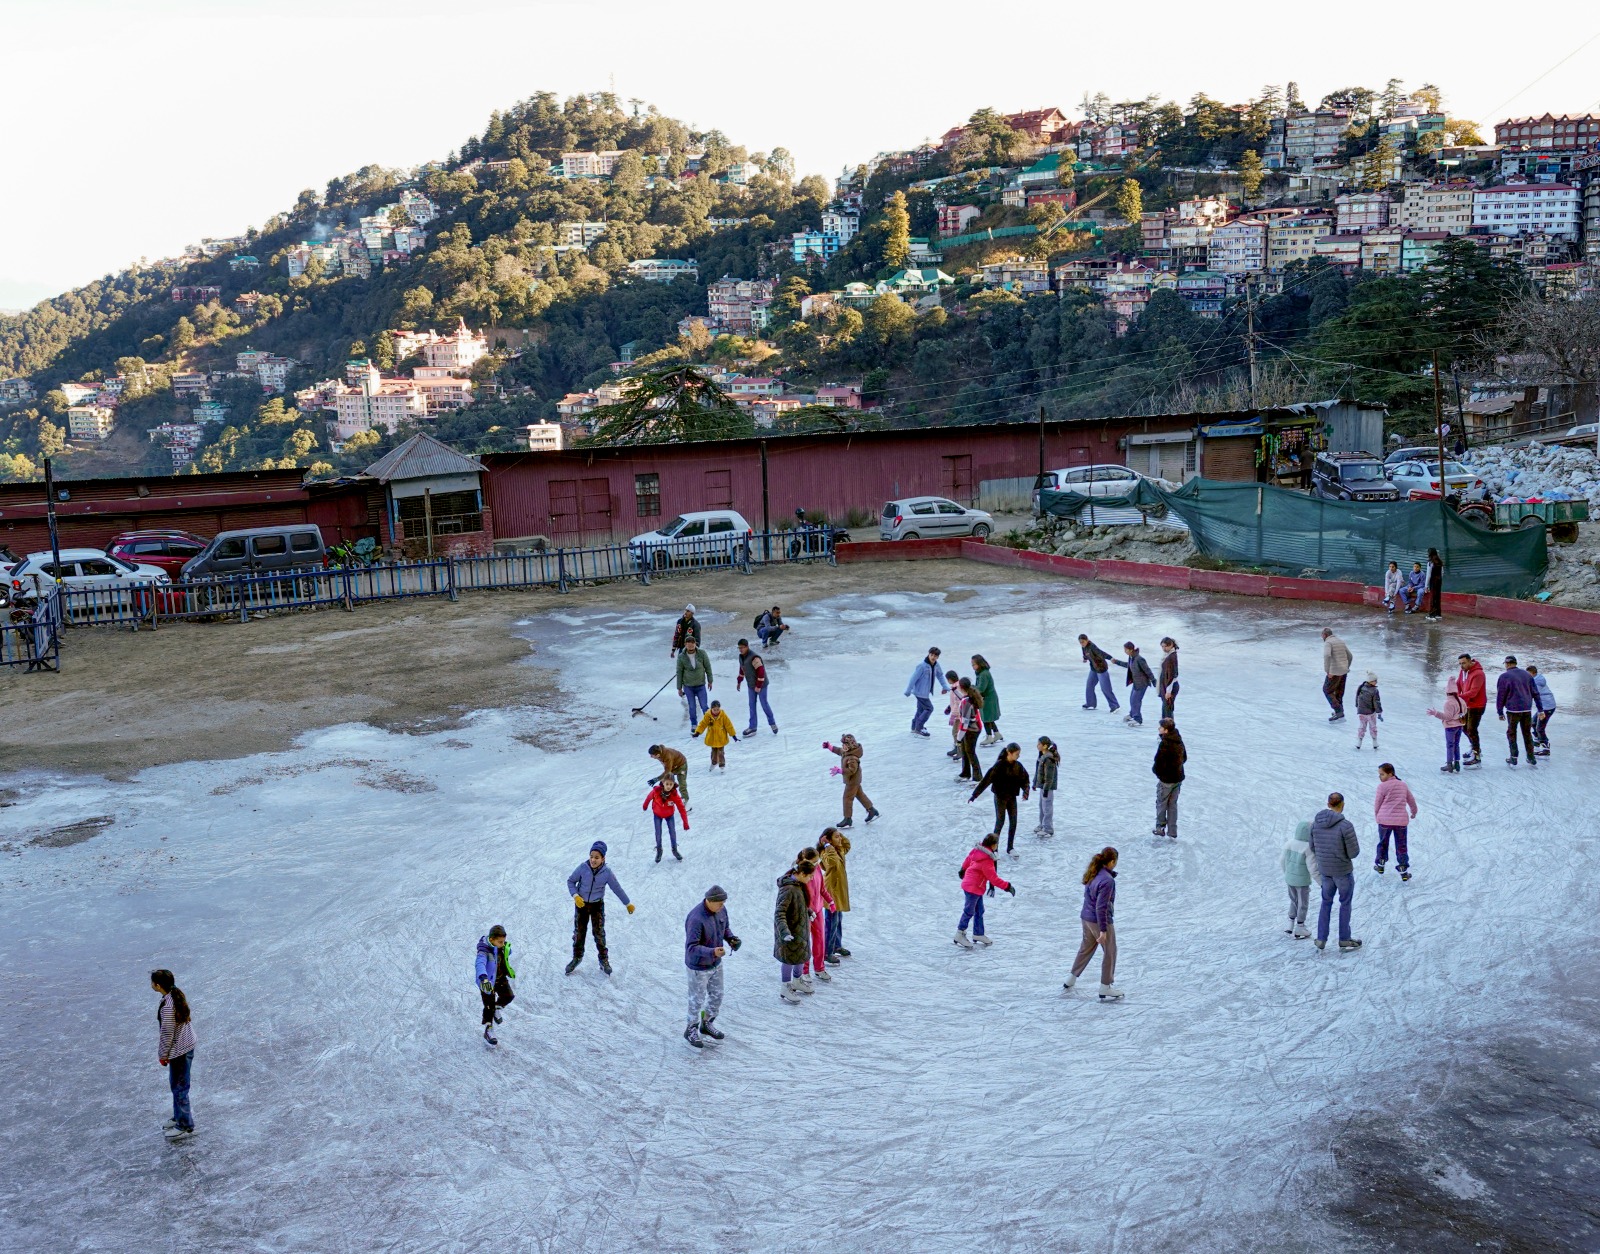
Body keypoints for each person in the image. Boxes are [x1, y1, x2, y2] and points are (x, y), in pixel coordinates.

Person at [683, 886, 741, 1049]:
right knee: (697, 999)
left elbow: (725, 928)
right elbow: (691, 948)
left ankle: (706, 1022)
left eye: (723, 903)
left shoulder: (721, 910)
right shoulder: (696, 918)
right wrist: (712, 951)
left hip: (715, 963)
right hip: (698, 967)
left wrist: (731, 939)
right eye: (720, 903)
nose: (722, 906)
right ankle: (691, 1029)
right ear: (710, 901)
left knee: (717, 996)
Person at [566, 841, 634, 976]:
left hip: (597, 905)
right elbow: (571, 881)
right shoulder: (582, 868)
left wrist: (627, 903)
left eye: (597, 857)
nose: (593, 860)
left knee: (599, 933)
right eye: (591, 856)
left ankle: (603, 960)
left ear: (603, 859)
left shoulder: (607, 872)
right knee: (579, 932)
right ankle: (577, 957)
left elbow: (617, 888)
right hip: (581, 905)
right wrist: (575, 896)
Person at [1063, 846, 1122, 1000]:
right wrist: (1103, 930)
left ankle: (1071, 978)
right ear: (1112, 862)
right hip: (1099, 920)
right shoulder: (1107, 880)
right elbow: (1101, 907)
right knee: (1110, 951)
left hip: (1086, 918)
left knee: (1086, 947)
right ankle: (1105, 986)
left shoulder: (1094, 872)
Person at [1308, 793, 1362, 952]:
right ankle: (1344, 938)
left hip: (1325, 871)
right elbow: (1354, 853)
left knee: (1326, 902)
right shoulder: (1345, 826)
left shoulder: (1315, 824)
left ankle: (1321, 938)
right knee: (1345, 903)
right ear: (1342, 804)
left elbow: (1312, 847)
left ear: (1328, 804)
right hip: (1342, 871)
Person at [151, 969, 196, 1140]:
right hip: (184, 1046)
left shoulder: (169, 1006)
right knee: (176, 1085)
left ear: (157, 985)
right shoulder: (173, 996)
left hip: (180, 1051)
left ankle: (185, 1125)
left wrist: (163, 1055)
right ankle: (179, 1116)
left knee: (180, 1088)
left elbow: (167, 1033)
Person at [969, 742, 1031, 855]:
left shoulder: (1018, 766)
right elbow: (986, 780)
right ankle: (994, 849)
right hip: (1000, 798)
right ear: (1009, 753)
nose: (1018, 756)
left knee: (1013, 822)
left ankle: (1010, 848)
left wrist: (1025, 790)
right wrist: (975, 795)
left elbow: (1025, 779)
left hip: (1012, 797)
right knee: (1000, 822)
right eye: (1017, 754)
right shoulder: (999, 766)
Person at [954, 833, 1013, 949]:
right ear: (993, 845)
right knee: (969, 911)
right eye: (996, 844)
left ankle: (978, 933)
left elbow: (968, 858)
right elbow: (994, 879)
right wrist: (1007, 886)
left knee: (979, 910)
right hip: (973, 887)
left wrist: (963, 869)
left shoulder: (978, 851)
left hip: (975, 887)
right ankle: (959, 933)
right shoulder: (987, 861)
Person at [774, 861, 812, 1004]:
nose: (811, 879)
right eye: (810, 876)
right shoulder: (788, 888)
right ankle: (785, 986)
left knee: (800, 956)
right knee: (789, 958)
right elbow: (780, 912)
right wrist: (784, 932)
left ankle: (797, 980)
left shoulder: (798, 886)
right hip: (790, 931)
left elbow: (799, 904)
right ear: (802, 874)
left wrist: (808, 912)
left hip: (800, 929)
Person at [1373, 763, 1418, 881]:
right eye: (1379, 775)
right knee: (1401, 845)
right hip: (1401, 821)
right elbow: (1411, 799)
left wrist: (1377, 815)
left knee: (1383, 843)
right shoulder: (1402, 785)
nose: (1380, 777)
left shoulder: (1381, 787)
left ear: (1390, 773)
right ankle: (1403, 867)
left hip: (1384, 820)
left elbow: (1378, 802)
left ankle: (1380, 864)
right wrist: (1414, 811)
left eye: (1382, 774)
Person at [799, 845, 837, 984]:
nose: (816, 864)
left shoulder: (818, 870)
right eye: (814, 862)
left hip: (819, 909)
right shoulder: (802, 874)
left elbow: (822, 889)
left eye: (817, 861)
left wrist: (830, 901)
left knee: (819, 940)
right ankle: (804, 970)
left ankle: (819, 968)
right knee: (805, 942)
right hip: (806, 912)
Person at [824, 734, 878, 827]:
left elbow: (852, 770)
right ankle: (872, 810)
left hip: (852, 781)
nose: (842, 747)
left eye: (844, 745)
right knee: (860, 795)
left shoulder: (852, 758)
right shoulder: (847, 752)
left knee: (847, 798)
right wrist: (829, 747)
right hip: (854, 780)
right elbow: (839, 751)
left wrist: (840, 771)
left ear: (849, 746)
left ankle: (847, 819)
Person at [475, 926, 516, 1047]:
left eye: (503, 942)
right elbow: (480, 964)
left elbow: (507, 953)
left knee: (509, 996)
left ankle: (497, 1008)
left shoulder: (501, 948)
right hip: (487, 982)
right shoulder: (484, 951)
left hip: (500, 978)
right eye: (500, 942)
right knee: (489, 1007)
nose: (502, 944)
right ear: (492, 940)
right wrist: (483, 977)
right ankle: (488, 1030)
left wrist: (506, 949)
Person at [1496, 653, 1539, 769]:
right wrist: (1540, 709)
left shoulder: (1504, 677)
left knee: (1511, 732)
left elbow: (1501, 695)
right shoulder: (1527, 675)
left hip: (1513, 710)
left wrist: (1500, 711)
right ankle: (1531, 757)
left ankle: (1514, 757)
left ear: (1507, 664)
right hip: (1526, 709)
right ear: (1515, 663)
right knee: (1527, 733)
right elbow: (1535, 693)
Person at [819, 827, 852, 961]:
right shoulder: (824, 853)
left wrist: (839, 835)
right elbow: (831, 863)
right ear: (829, 840)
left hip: (839, 891)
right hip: (831, 891)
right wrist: (827, 845)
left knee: (838, 920)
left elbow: (847, 845)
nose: (840, 839)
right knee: (831, 922)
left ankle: (837, 946)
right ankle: (827, 952)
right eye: (836, 837)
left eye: (840, 836)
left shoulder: (840, 849)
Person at [1151, 718, 1186, 839]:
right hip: (1178, 779)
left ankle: (1160, 828)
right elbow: (1184, 758)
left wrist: (1159, 773)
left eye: (1160, 727)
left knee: (1161, 803)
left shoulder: (1165, 744)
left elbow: (1158, 763)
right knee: (1172, 805)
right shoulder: (1178, 739)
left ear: (1165, 730)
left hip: (1166, 780)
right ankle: (1172, 831)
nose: (1158, 729)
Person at [642, 773, 690, 861]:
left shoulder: (674, 795)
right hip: (657, 815)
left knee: (672, 832)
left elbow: (682, 809)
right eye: (667, 784)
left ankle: (674, 849)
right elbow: (648, 798)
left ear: (673, 785)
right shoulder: (656, 791)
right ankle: (659, 850)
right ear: (663, 783)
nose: (668, 786)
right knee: (658, 832)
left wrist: (685, 823)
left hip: (669, 815)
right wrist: (645, 805)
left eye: (671, 784)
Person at [1281, 821, 1316, 940]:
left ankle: (1290, 923)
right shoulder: (1308, 848)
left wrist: (1287, 874)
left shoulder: (1289, 843)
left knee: (1293, 900)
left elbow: (1282, 860)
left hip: (1290, 879)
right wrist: (1322, 882)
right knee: (1303, 903)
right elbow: (1313, 868)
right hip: (1302, 882)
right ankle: (1300, 926)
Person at [736, 639, 777, 735]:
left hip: (761, 684)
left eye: (742, 648)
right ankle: (752, 727)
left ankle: (772, 723)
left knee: (764, 704)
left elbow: (761, 671)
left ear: (747, 647)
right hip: (751, 684)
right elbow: (742, 668)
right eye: (739, 648)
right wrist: (739, 681)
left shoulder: (754, 657)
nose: (740, 650)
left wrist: (758, 686)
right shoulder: (741, 657)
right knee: (751, 705)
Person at [1426, 675, 1467, 773]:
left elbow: (1447, 717)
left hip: (1450, 727)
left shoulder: (1449, 702)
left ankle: (1449, 764)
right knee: (1456, 744)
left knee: (1450, 745)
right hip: (1459, 726)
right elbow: (1465, 711)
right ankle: (1457, 764)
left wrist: (1436, 713)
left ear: (1448, 691)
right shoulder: (1461, 700)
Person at [904, 647, 948, 737]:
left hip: (925, 692)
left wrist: (945, 686)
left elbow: (940, 676)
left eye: (935, 656)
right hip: (920, 692)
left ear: (938, 657)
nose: (933, 657)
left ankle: (914, 727)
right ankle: (919, 728)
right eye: (931, 655)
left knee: (920, 710)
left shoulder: (936, 665)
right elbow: (913, 678)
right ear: (928, 654)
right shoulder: (922, 666)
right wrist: (908, 690)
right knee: (929, 708)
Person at [1456, 653, 1488, 767]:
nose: (1461, 666)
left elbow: (1474, 692)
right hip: (1467, 704)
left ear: (1470, 661)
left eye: (1464, 663)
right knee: (1464, 727)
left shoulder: (1479, 674)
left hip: (1477, 705)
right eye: (1460, 663)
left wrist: (1459, 697)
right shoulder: (1463, 671)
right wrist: (1454, 693)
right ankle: (1474, 747)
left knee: (1471, 729)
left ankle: (1477, 756)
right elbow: (1459, 684)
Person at [1112, 641, 1156, 726]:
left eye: (1126, 649)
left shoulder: (1139, 659)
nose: (1125, 651)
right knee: (1132, 699)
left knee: (1135, 701)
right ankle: (1132, 714)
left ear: (1131, 650)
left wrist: (1153, 680)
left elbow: (1147, 670)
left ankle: (1137, 718)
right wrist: (1116, 662)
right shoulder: (1132, 657)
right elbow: (1128, 665)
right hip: (1136, 682)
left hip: (1142, 683)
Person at [675, 639, 713, 729]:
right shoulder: (681, 657)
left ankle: (709, 722)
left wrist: (710, 680)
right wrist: (679, 688)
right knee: (692, 706)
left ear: (695, 644)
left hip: (700, 685)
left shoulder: (702, 653)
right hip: (688, 686)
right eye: (688, 644)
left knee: (704, 705)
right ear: (685, 644)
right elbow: (679, 672)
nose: (691, 646)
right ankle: (694, 724)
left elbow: (708, 667)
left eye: (693, 643)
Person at [952, 678, 984, 781]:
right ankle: (965, 773)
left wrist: (958, 737)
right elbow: (963, 698)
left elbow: (964, 724)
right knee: (965, 751)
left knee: (970, 752)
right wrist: (955, 691)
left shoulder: (966, 702)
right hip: (973, 728)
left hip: (972, 730)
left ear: (961, 687)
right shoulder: (969, 697)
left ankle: (977, 777)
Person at [1078, 634, 1120, 713]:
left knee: (1105, 689)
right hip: (1093, 669)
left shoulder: (1092, 647)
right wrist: (1085, 658)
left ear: (1087, 640)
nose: (1082, 644)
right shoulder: (1084, 647)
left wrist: (1110, 658)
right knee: (1089, 686)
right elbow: (1084, 653)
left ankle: (1115, 706)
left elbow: (1102, 653)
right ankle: (1090, 704)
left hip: (1101, 669)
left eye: (1083, 642)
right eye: (1080, 642)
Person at [695, 699, 739, 770]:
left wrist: (734, 736)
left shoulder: (723, 715)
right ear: (711, 709)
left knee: (721, 753)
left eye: (717, 709)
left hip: (721, 738)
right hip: (712, 738)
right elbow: (702, 724)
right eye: (714, 710)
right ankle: (714, 763)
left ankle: (722, 765)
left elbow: (729, 725)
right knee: (714, 752)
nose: (716, 711)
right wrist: (697, 732)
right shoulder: (708, 715)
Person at [1321, 628, 1352, 722]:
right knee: (1339, 692)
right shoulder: (1340, 641)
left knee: (1327, 690)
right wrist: (1345, 667)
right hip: (1344, 671)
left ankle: (1339, 712)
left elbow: (1327, 655)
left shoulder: (1328, 642)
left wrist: (1328, 671)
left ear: (1325, 635)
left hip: (1334, 672)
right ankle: (1340, 713)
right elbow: (1350, 656)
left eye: (1322, 635)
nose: (1321, 637)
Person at [971, 655, 1003, 746]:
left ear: (979, 664)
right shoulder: (981, 673)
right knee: (989, 718)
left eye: (974, 664)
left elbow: (981, 689)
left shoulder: (984, 674)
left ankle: (989, 737)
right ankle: (997, 734)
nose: (972, 666)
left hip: (988, 699)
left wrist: (972, 689)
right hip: (987, 698)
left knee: (986, 718)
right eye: (972, 664)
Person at [1032, 736, 1060, 838]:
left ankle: (1048, 828)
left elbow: (1049, 776)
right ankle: (1043, 824)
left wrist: (1046, 789)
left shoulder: (1048, 758)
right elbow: (1038, 771)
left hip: (1047, 788)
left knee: (1047, 807)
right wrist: (1035, 783)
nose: (1037, 746)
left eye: (1039, 744)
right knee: (1042, 806)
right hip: (1042, 786)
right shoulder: (1042, 755)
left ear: (1045, 746)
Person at [1528, 664, 1555, 756]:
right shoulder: (1535, 679)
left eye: (1528, 674)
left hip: (1547, 707)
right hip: (1544, 707)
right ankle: (1537, 741)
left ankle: (1546, 748)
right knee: (1533, 723)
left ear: (1532, 673)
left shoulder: (1537, 682)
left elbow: (1533, 693)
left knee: (1540, 728)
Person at [1354, 671, 1383, 750]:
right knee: (1373, 727)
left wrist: (1357, 706)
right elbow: (1376, 702)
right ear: (1371, 681)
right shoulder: (1374, 690)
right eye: (1375, 681)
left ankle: (1359, 742)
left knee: (1362, 727)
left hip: (1361, 712)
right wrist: (1379, 712)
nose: (1376, 682)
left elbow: (1357, 697)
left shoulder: (1361, 687)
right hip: (1370, 713)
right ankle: (1375, 741)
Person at [942, 669, 965, 759]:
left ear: (950, 679)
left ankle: (960, 750)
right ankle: (957, 748)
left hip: (959, 714)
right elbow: (955, 701)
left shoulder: (956, 687)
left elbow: (958, 701)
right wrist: (949, 707)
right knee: (956, 732)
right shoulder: (956, 686)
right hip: (958, 713)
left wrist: (954, 714)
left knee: (956, 732)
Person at [1158, 637, 1180, 720]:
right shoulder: (1168, 655)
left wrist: (1168, 691)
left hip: (1170, 686)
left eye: (1165, 646)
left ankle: (1169, 729)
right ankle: (1167, 728)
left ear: (1171, 645)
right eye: (1162, 646)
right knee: (1166, 709)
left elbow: (1173, 675)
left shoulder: (1172, 657)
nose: (1164, 648)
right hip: (1166, 686)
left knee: (1167, 710)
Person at [1425, 548, 1444, 622]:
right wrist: (1440, 580)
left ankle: (1431, 615)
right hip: (1439, 581)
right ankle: (1438, 614)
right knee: (1438, 597)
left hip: (1433, 581)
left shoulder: (1430, 562)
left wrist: (1426, 586)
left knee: (1433, 597)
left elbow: (1428, 575)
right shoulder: (1440, 561)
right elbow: (1442, 572)